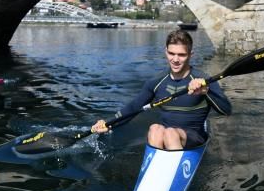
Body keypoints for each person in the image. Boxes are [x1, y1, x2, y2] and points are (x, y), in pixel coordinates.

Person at [90, 30, 231, 150]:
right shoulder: (156, 82)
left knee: (170, 133)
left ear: (190, 55)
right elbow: (133, 108)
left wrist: (207, 91)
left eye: (181, 55)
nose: (175, 59)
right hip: (164, 136)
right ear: (166, 52)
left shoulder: (203, 80)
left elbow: (226, 111)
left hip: (194, 137)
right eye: (171, 53)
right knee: (155, 129)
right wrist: (108, 123)